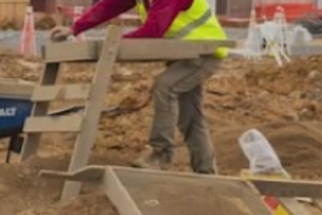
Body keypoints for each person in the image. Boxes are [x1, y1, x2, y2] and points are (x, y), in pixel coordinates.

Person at [53, 0, 227, 173]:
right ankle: (206, 172)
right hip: (185, 54)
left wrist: (115, 43)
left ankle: (161, 155)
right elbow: (110, 5)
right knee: (190, 115)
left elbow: (154, 30)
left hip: (205, 52)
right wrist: (74, 28)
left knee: (165, 87)